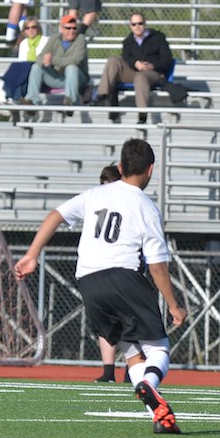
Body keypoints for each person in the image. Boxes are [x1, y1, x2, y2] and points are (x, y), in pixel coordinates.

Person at [15, 138, 187, 433]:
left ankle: (159, 414)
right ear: (151, 169)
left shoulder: (95, 194)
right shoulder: (146, 206)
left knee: (131, 351)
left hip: (88, 282)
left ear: (120, 167)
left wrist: (32, 255)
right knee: (159, 347)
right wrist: (173, 304)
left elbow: (55, 215)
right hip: (124, 277)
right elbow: (157, 265)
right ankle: (149, 383)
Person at [92, 13, 174, 124]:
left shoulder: (158, 38)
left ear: (145, 23)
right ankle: (102, 94)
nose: (137, 26)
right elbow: (126, 58)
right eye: (134, 24)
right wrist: (136, 63)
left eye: (140, 23)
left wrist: (152, 65)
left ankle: (142, 114)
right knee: (113, 60)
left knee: (140, 77)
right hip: (134, 72)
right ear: (130, 26)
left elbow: (167, 60)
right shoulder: (128, 41)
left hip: (154, 73)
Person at [19, 14, 90, 113]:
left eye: (74, 28)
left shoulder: (80, 39)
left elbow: (76, 60)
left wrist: (52, 60)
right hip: (58, 77)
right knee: (36, 67)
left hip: (78, 78)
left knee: (71, 67)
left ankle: (71, 102)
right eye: (68, 28)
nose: (72, 31)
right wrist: (45, 60)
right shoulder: (54, 38)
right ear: (61, 28)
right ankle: (32, 101)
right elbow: (40, 57)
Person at [94, 163, 121, 383]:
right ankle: (109, 371)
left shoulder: (131, 203)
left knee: (133, 323)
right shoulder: (99, 207)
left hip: (126, 270)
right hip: (102, 270)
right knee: (105, 322)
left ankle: (134, 372)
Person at [1, 16, 49, 102]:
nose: (31, 30)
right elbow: (21, 63)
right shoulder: (23, 43)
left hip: (42, 71)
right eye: (27, 28)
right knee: (22, 69)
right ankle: (17, 98)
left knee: (26, 67)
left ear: (38, 28)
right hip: (26, 73)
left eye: (33, 27)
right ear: (24, 31)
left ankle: (13, 97)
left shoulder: (46, 40)